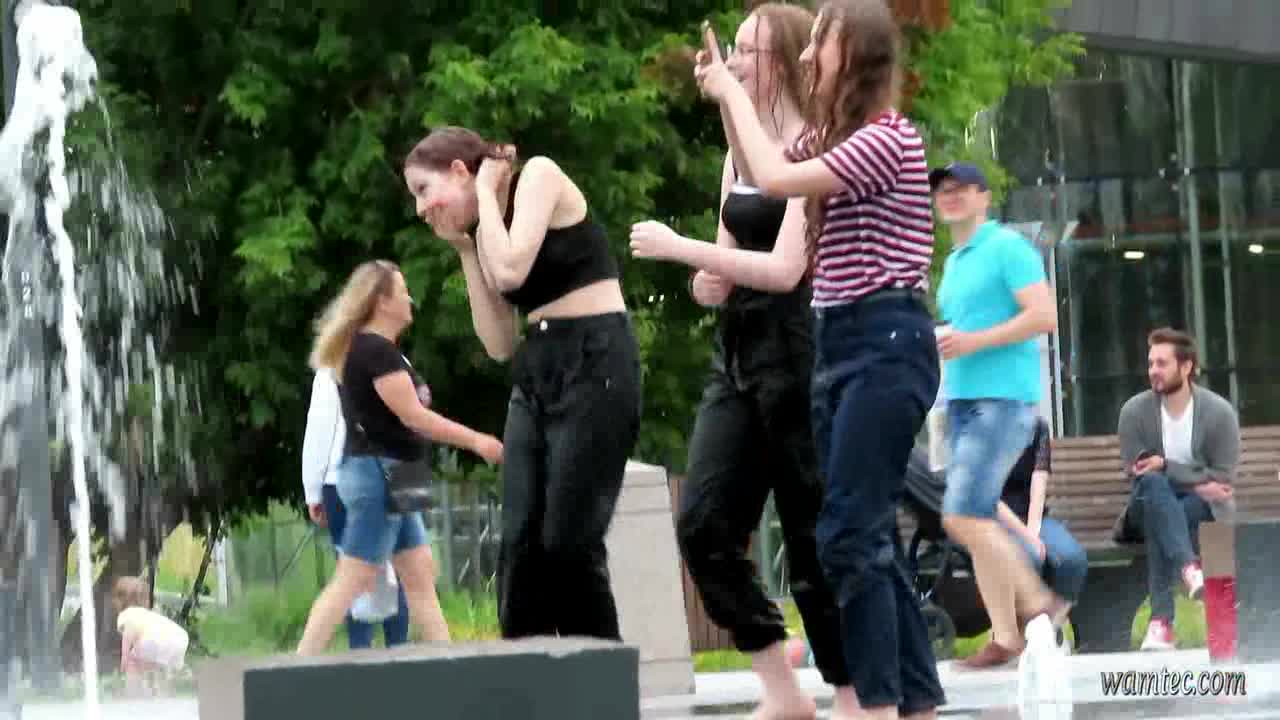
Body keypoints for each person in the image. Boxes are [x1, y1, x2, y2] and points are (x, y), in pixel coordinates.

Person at [694, 2, 945, 717]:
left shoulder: (883, 138)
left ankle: (877, 704)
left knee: (848, 536)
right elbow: (755, 171)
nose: (806, 57)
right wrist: (730, 97)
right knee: (865, 536)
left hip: (884, 342)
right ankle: (916, 702)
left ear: (854, 53)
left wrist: (734, 90)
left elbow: (777, 180)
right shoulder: (829, 136)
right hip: (841, 344)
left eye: (819, 44)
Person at [629, 5, 856, 718]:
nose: (734, 62)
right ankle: (782, 689)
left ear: (783, 60)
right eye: (734, 49)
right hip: (737, 353)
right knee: (702, 525)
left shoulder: (815, 149)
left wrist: (680, 249)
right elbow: (729, 253)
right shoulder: (739, 155)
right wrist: (708, 278)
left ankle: (853, 695)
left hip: (799, 351)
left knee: (812, 534)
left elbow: (787, 269)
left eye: (749, 51)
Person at [402, 127, 642, 641]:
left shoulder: (539, 176)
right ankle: (528, 675)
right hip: (537, 368)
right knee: (520, 547)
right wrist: (466, 250)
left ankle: (600, 676)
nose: (422, 210)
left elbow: (512, 271)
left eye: (424, 190)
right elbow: (499, 342)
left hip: (595, 359)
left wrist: (486, 195)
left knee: (568, 543)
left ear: (461, 171)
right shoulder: (487, 228)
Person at [296, 260, 504, 655]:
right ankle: (295, 667)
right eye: (402, 291)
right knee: (353, 577)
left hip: (402, 471)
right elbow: (415, 417)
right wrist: (477, 441)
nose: (410, 299)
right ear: (381, 301)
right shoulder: (373, 351)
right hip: (380, 473)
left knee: (420, 574)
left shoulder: (379, 351)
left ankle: (448, 665)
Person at [928, 161, 1064, 671]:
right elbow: (963, 330)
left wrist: (973, 341)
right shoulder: (954, 261)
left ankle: (1040, 601)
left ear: (984, 198)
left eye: (961, 188)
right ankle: (1006, 637)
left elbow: (1044, 316)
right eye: (942, 190)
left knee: (961, 516)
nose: (950, 195)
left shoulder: (1007, 247)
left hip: (1003, 401)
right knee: (978, 517)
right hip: (962, 402)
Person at [1115, 327, 1238, 651]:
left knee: (1166, 515)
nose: (1153, 370)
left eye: (1162, 363)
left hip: (1198, 509)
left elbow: (1222, 477)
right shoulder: (1134, 412)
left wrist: (1167, 466)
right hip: (1146, 502)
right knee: (1153, 487)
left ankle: (1161, 623)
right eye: (1151, 363)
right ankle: (1188, 565)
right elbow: (1139, 472)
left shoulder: (1218, 413)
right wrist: (1196, 480)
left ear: (1186, 367)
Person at [302, 367, 411, 648]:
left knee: (352, 575)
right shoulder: (398, 362)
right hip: (398, 473)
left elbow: (320, 432)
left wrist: (313, 491)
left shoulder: (332, 370)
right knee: (403, 572)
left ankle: (359, 654)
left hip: (344, 478)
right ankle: (401, 652)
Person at [992, 416, 1088, 656]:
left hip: (1034, 519)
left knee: (1072, 559)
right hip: (994, 521)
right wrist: (1026, 536)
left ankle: (1048, 630)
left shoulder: (1037, 427)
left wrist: (1033, 531)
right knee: (1029, 557)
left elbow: (1039, 483)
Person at [112, 576, 188, 698]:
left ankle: (132, 695)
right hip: (179, 639)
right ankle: (164, 695)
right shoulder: (148, 615)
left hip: (154, 643)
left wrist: (124, 663)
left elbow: (129, 634)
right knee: (158, 669)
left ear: (120, 600)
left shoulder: (126, 615)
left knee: (132, 663)